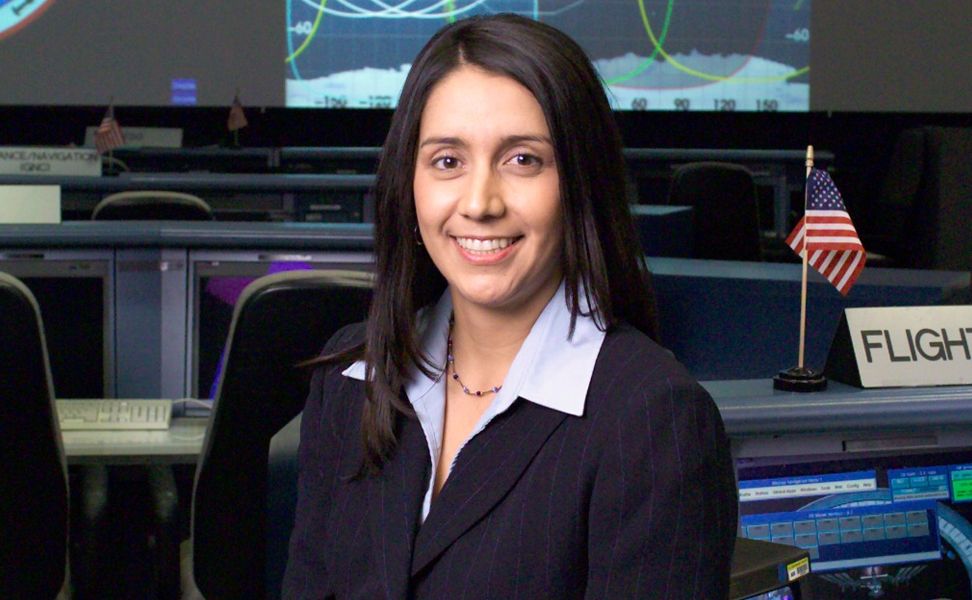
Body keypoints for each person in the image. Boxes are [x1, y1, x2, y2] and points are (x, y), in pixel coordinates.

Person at [283, 13, 736, 599]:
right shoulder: (352, 381)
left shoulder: (654, 420)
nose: (479, 202)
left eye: (523, 160)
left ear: (580, 184)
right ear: (409, 182)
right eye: (448, 161)